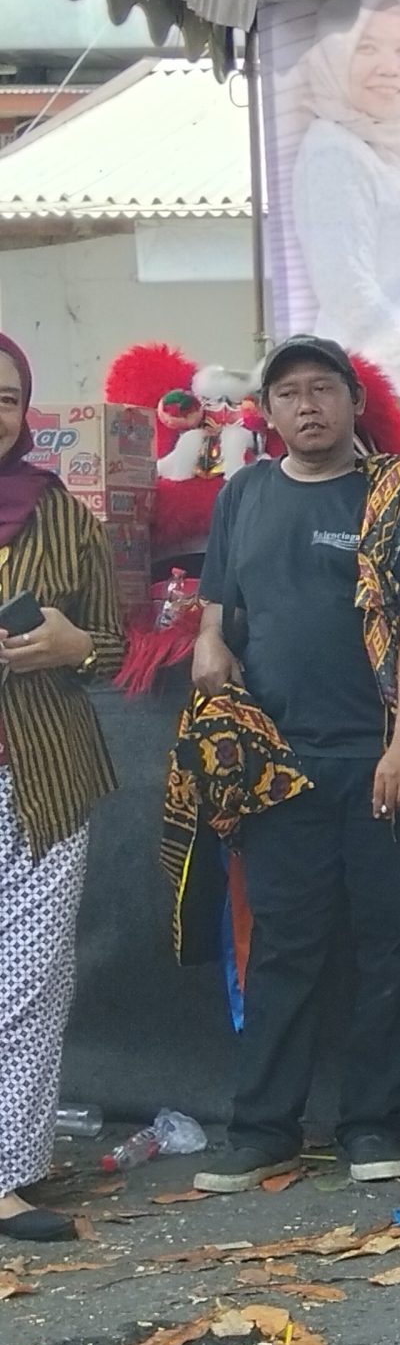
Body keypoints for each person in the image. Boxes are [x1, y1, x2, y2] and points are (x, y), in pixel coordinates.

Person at [186, 336, 400, 1194]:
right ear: (267, 414)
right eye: (288, 394)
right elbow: (218, 604)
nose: (306, 406)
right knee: (283, 944)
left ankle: (374, 1124)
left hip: (377, 752)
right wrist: (208, 643)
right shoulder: (243, 495)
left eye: (323, 389)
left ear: (355, 401)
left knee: (392, 943)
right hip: (276, 764)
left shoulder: (397, 493)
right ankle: (264, 1126)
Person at [0, 335, 124, 1242]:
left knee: (34, 974)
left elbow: (115, 641)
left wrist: (73, 646)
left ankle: (11, 1167)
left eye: (8, 398)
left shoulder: (60, 513)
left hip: (43, 773)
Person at [294, 0, 400, 405]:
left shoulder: (389, 148)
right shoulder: (333, 149)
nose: (390, 67)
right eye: (367, 47)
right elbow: (348, 294)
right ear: (334, 55)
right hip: (368, 396)